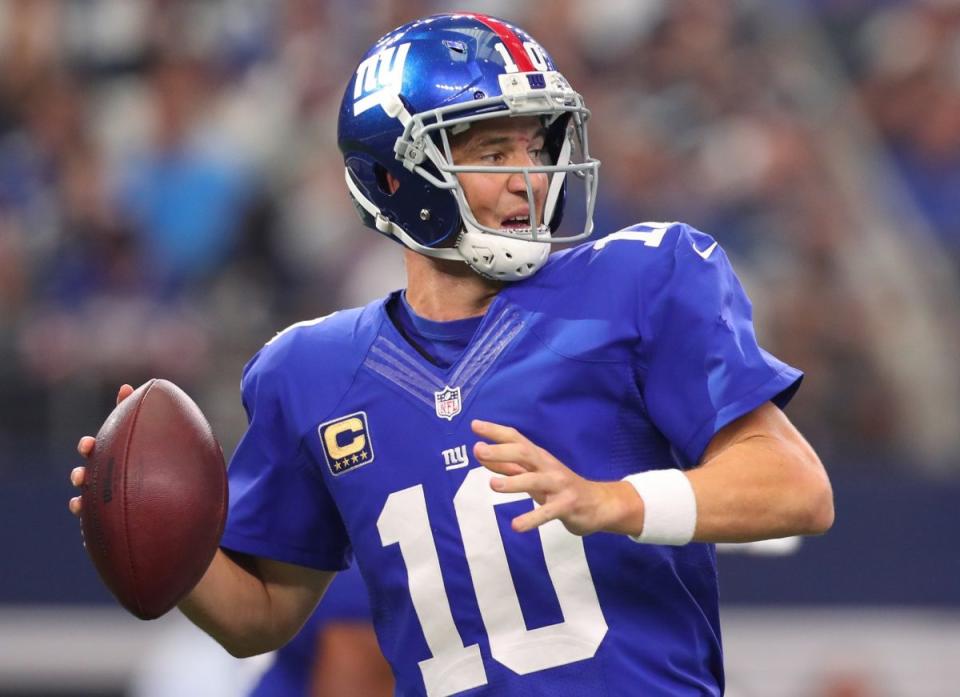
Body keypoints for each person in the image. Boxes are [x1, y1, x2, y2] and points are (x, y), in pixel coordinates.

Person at [70, 13, 833, 696]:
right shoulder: (308, 372)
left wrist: (616, 501)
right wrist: (146, 531)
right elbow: (263, 618)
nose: (529, 177)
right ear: (396, 178)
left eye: (536, 145)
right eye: (492, 148)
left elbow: (798, 488)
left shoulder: (640, 279)